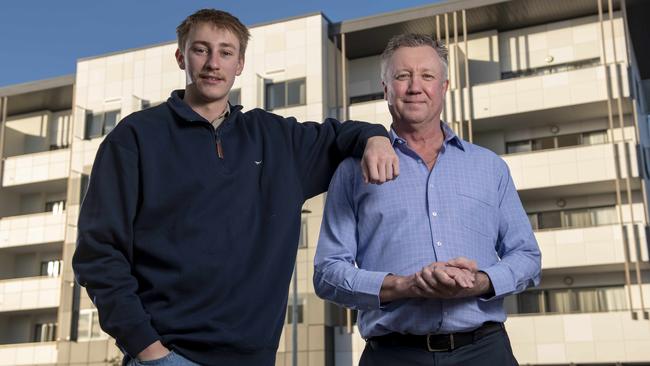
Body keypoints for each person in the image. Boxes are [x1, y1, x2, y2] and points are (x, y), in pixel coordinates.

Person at [72, 9, 399, 366]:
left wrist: (375, 137)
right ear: (181, 56)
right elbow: (98, 253)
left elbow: (342, 135)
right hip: (168, 356)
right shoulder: (134, 138)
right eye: (201, 50)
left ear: (240, 63)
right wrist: (147, 349)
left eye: (226, 52)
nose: (213, 63)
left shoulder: (277, 139)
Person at [313, 33, 541, 366]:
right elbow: (328, 273)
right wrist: (405, 286)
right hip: (391, 354)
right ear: (386, 87)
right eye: (402, 76)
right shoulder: (352, 171)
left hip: (484, 351)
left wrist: (479, 283)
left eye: (427, 76)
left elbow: (527, 257)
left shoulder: (489, 167)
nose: (415, 86)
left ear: (445, 86)